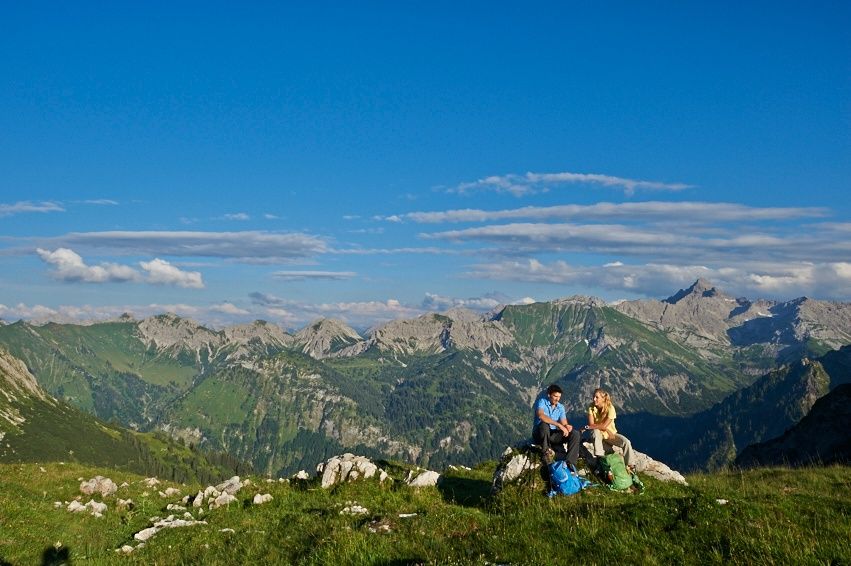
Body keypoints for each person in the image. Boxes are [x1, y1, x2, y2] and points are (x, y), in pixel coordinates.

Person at [585, 388, 635, 471]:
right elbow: (591, 425)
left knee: (626, 442)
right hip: (600, 434)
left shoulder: (610, 408)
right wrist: (603, 428)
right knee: (595, 431)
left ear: (603, 398)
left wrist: (604, 428)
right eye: (593, 397)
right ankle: (600, 460)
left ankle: (630, 466)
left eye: (597, 397)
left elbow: (602, 425)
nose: (594, 399)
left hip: (610, 435)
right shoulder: (591, 407)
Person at [532, 383, 581, 469]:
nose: (557, 399)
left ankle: (570, 462)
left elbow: (564, 422)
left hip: (552, 434)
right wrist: (558, 424)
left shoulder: (560, 407)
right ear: (549, 395)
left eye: (559, 397)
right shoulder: (542, 401)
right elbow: (541, 415)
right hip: (540, 433)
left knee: (575, 434)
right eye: (555, 396)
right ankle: (545, 453)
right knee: (544, 425)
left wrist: (566, 426)